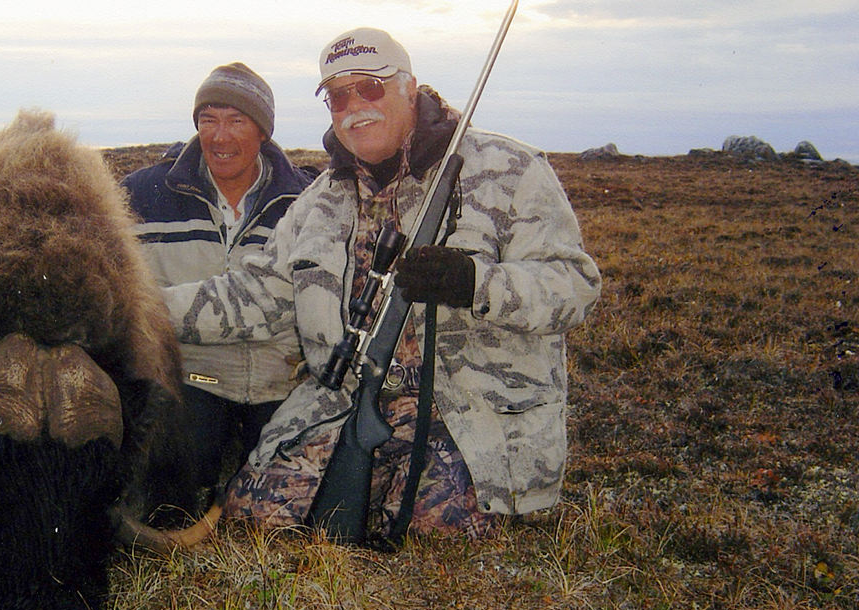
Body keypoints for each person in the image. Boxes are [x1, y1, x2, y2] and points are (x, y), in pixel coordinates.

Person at [160, 28, 602, 541]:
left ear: (410, 88)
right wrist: (136, 311)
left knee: (433, 536)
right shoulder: (320, 199)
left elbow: (575, 286)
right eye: (338, 95)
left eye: (369, 87)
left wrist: (474, 283)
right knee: (255, 520)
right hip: (346, 402)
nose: (354, 106)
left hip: (469, 414)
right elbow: (255, 295)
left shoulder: (511, 169)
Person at [122, 62, 317, 501]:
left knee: (291, 496)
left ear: (263, 132)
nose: (219, 136)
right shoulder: (139, 196)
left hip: (279, 378)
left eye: (236, 121)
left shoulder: (308, 201)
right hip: (191, 375)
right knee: (174, 486)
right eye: (207, 120)